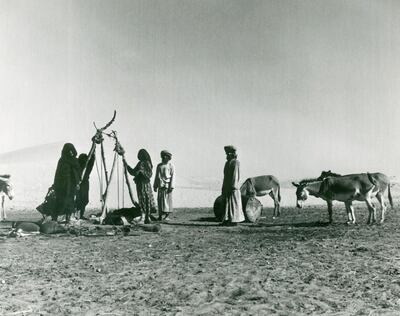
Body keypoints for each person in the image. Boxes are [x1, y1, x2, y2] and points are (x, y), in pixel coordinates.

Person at [123, 149, 157, 224]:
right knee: (142, 199)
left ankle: (146, 217)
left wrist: (141, 172)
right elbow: (133, 172)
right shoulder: (140, 163)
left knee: (146, 199)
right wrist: (127, 166)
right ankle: (145, 217)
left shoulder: (146, 163)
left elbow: (149, 174)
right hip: (140, 184)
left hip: (145, 184)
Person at [53, 143, 80, 223]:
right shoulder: (62, 160)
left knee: (70, 201)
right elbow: (58, 174)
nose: (71, 152)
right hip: (63, 185)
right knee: (62, 201)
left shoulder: (75, 160)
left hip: (72, 184)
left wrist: (78, 182)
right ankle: (58, 218)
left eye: (72, 150)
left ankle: (68, 218)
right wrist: (56, 185)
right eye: (69, 151)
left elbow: (78, 172)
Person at [221, 145, 245, 226]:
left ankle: (234, 221)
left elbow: (235, 175)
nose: (226, 155)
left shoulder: (236, 162)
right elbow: (225, 176)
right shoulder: (227, 163)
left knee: (234, 204)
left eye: (228, 154)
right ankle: (227, 219)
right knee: (227, 204)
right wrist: (224, 187)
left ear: (232, 154)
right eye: (226, 154)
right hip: (227, 187)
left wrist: (233, 186)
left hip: (233, 187)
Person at [153, 150, 175, 221]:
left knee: (167, 201)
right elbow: (156, 176)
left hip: (167, 186)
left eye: (165, 156)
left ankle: (166, 216)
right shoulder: (159, 166)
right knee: (160, 201)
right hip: (160, 186)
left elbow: (173, 176)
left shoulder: (171, 166)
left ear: (168, 157)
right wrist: (155, 185)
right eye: (163, 156)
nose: (163, 157)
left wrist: (171, 186)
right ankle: (160, 216)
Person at [76, 149, 96, 219]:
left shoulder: (87, 167)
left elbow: (92, 161)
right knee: (78, 200)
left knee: (84, 199)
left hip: (85, 184)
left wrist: (93, 152)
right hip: (78, 184)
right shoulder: (77, 166)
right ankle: (77, 215)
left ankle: (81, 215)